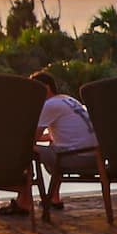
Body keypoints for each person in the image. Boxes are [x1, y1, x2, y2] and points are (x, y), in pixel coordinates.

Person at [32, 70, 101, 208]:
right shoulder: (68, 100)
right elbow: (65, 135)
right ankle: (54, 199)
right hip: (95, 156)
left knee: (24, 150)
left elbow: (32, 138)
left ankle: (24, 202)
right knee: (54, 144)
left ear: (45, 88)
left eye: (33, 89)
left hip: (78, 158)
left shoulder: (49, 105)